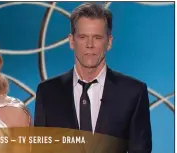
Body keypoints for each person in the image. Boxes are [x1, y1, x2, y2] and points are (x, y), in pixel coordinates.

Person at [34, 2, 152, 153]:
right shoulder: (47, 92)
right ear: (71, 41)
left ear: (108, 42)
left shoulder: (133, 92)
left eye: (97, 37)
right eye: (83, 37)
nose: (90, 45)